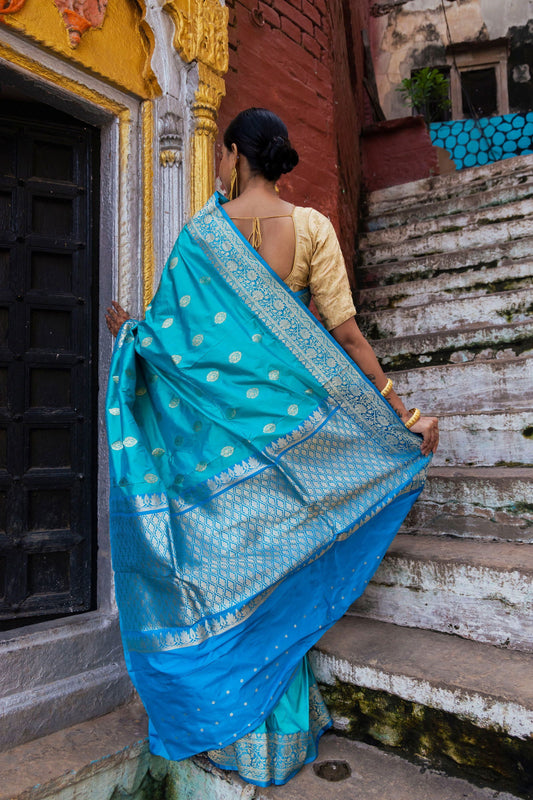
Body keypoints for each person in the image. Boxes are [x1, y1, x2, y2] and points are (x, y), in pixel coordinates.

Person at [105, 108, 438, 787]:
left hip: (218, 448)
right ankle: (277, 738)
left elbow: (174, 349)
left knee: (233, 576)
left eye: (223, 157)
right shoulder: (311, 228)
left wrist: (130, 334)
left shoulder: (201, 237)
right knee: (279, 577)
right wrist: (400, 410)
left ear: (232, 154)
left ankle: (228, 734)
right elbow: (345, 335)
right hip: (290, 440)